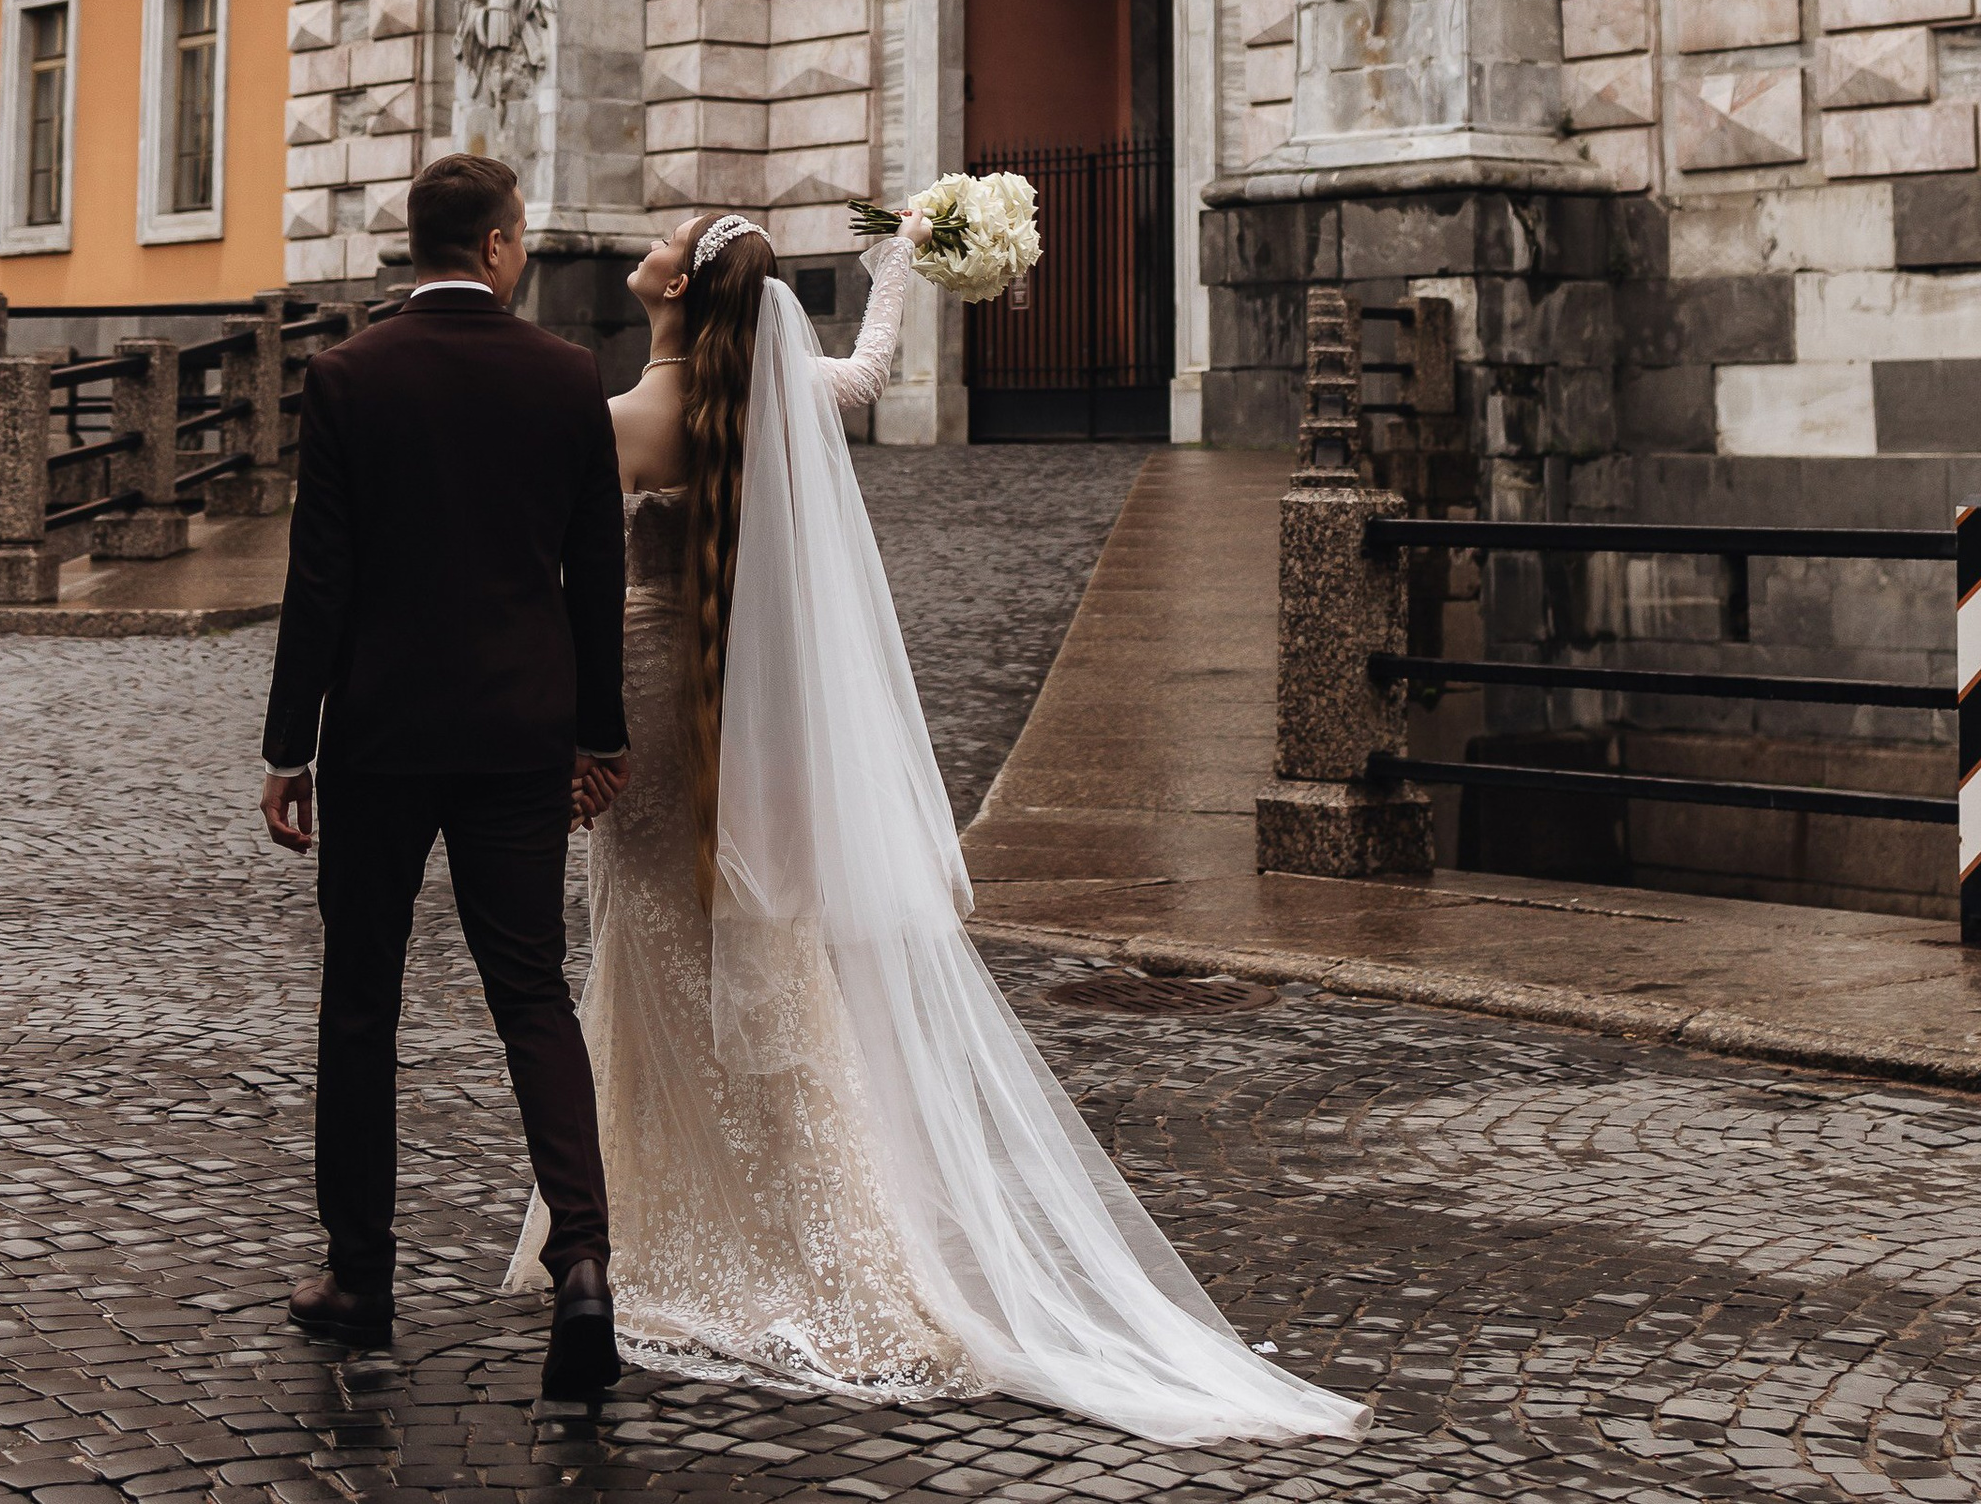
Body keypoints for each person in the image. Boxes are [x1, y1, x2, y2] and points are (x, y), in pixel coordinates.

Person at [500, 210, 1365, 1450]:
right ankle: (797, 1224)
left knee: (647, 941)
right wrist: (898, 262)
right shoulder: (770, 388)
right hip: (735, 710)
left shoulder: (627, 418)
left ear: (679, 285)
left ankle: (660, 1224)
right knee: (754, 939)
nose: (646, 243)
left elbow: (555, 572)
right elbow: (866, 374)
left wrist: (555, 724)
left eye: (666, 238)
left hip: (642, 691)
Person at [260, 152, 630, 1414]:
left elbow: (320, 578)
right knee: (531, 991)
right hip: (522, 727)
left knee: (361, 998)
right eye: (518, 234)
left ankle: (360, 1276)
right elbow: (594, 571)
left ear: (417, 246)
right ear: (496, 245)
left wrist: (289, 745)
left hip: (381, 732)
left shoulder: (347, 375)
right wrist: (598, 732)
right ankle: (583, 1263)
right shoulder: (568, 374)